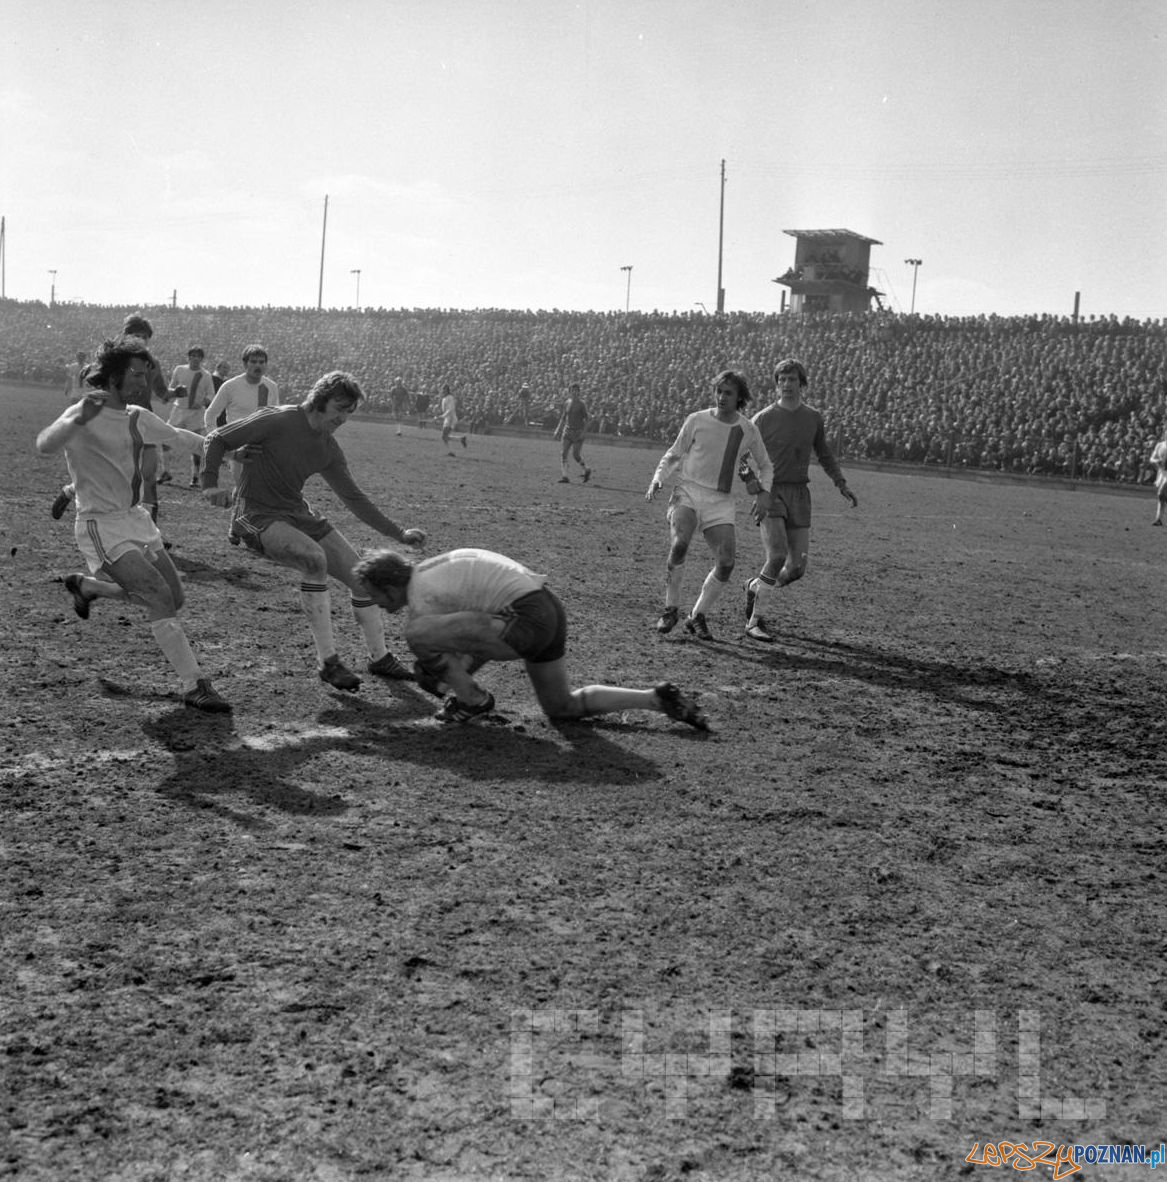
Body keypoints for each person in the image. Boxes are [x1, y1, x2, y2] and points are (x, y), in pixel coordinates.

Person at [35, 334, 229, 713]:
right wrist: (78, 418)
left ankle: (90, 588)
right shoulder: (83, 411)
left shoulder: (136, 417)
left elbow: (179, 437)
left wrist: (228, 447)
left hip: (136, 520)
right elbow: (44, 445)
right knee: (158, 596)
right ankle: (195, 685)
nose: (143, 382)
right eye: (136, 375)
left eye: (145, 374)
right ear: (111, 378)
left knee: (174, 598)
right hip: (100, 525)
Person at [202, 370, 426, 692]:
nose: (344, 417)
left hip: (297, 513)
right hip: (256, 514)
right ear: (320, 400)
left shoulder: (328, 448)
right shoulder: (277, 420)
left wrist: (399, 533)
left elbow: (354, 498)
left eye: (350, 411)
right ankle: (329, 663)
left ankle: (380, 658)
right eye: (340, 407)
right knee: (314, 559)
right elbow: (216, 438)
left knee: (361, 577)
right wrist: (210, 485)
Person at [355, 546, 709, 730]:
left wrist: (446, 680)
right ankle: (655, 698)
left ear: (389, 586)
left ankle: (473, 702)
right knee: (561, 707)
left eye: (376, 595)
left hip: (527, 618)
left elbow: (474, 640)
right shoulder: (433, 573)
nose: (377, 604)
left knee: (417, 636)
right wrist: (456, 673)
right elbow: (479, 639)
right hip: (547, 608)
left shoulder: (421, 597)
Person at [645, 370, 773, 641]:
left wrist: (764, 493)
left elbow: (765, 465)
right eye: (719, 391)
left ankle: (697, 615)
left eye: (728, 392)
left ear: (739, 397)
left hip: (720, 501)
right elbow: (673, 454)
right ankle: (670, 609)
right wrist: (658, 479)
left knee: (726, 563)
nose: (722, 396)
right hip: (688, 492)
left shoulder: (747, 429)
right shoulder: (697, 420)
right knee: (679, 544)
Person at [740, 358, 859, 643]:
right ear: (777, 384)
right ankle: (755, 621)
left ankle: (755, 586)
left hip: (800, 494)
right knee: (777, 555)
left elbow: (825, 454)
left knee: (796, 569)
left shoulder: (813, 418)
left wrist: (840, 483)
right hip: (771, 493)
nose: (787, 385)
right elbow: (740, 457)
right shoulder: (763, 418)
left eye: (792, 379)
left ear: (801, 383)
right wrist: (754, 486)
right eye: (782, 379)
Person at [50, 314, 179, 521]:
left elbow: (162, 393)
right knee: (109, 472)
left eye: (144, 336)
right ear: (125, 336)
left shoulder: (153, 364)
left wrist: (175, 393)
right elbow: (99, 375)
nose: (140, 339)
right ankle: (72, 490)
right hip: (115, 421)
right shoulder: (115, 361)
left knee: (148, 476)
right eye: (135, 335)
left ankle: (151, 531)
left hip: (143, 422)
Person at [163, 347, 214, 487]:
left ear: (202, 359)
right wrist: (171, 394)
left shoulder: (206, 375)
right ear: (189, 357)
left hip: (196, 414)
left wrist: (203, 402)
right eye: (193, 355)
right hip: (179, 409)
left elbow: (211, 394)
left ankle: (195, 477)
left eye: (198, 356)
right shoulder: (179, 370)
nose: (195, 358)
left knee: (196, 445)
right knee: (165, 439)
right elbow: (171, 387)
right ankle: (166, 472)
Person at [554, 382, 591, 483]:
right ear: (569, 392)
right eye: (572, 391)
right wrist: (558, 429)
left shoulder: (581, 404)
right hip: (567, 431)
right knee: (563, 453)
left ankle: (586, 469)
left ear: (579, 392)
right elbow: (563, 417)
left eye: (576, 391)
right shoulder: (567, 402)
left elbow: (587, 419)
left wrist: (583, 432)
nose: (574, 392)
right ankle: (565, 476)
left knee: (576, 455)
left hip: (578, 432)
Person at [439, 383, 468, 453]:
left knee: (444, 436)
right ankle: (461, 439)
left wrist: (442, 416)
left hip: (451, 419)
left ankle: (450, 451)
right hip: (447, 418)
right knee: (444, 436)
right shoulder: (444, 398)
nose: (442, 391)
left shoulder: (450, 398)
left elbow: (451, 409)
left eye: (444, 389)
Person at [1150, 433, 1167, 525]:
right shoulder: (1160, 445)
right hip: (1162, 473)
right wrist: (1157, 461)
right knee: (1162, 497)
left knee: (1161, 493)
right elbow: (1152, 459)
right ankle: (1159, 519)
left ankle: (1158, 519)